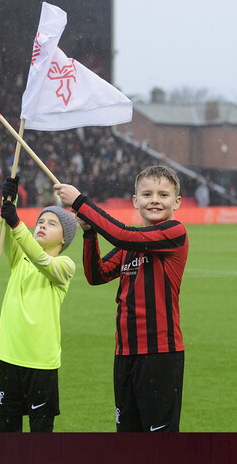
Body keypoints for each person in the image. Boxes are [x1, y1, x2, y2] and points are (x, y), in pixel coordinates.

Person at [53, 165, 189, 432]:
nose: (155, 200)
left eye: (163, 195)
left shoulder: (175, 232)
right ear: (135, 201)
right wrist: (89, 234)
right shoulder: (131, 246)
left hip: (160, 353)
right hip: (125, 353)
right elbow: (97, 275)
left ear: (177, 202)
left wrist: (80, 202)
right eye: (147, 194)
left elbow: (123, 235)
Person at [0, 174, 78, 433]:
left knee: (40, 433)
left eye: (52, 224)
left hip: (40, 361)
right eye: (40, 221)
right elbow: (9, 232)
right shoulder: (19, 257)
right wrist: (9, 200)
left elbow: (42, 260)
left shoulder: (65, 265)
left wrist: (16, 222)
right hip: (10, 355)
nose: (42, 226)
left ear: (64, 238)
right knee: (7, 430)